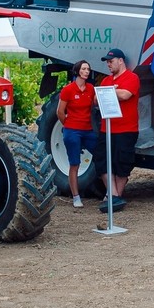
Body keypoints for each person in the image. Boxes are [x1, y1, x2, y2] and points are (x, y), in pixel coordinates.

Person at [94, 48, 140, 213]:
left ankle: (115, 197)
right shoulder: (106, 80)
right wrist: (110, 91)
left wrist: (109, 92)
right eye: (107, 61)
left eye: (111, 61)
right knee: (102, 162)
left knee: (122, 164)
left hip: (126, 129)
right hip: (106, 129)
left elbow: (126, 94)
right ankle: (114, 196)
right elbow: (96, 98)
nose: (108, 64)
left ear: (121, 61)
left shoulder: (132, 77)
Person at [56, 60, 97, 208]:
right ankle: (76, 197)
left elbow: (96, 103)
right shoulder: (68, 90)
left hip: (87, 130)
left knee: (100, 154)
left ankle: (109, 192)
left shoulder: (91, 89)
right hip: (72, 131)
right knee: (75, 164)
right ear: (78, 71)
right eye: (84, 69)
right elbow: (60, 111)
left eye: (88, 69)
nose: (87, 71)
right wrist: (68, 125)